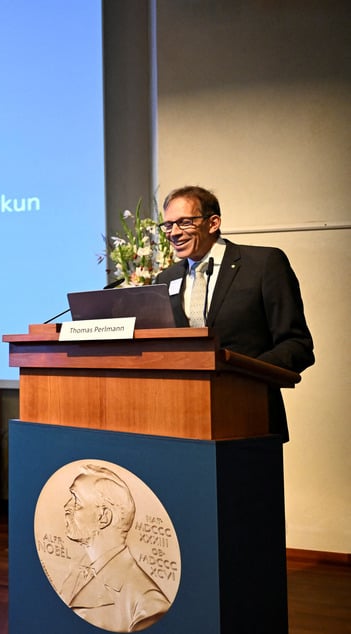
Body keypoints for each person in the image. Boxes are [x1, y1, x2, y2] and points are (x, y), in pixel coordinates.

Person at [153, 185, 314, 440]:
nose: (173, 233)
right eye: (168, 225)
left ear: (213, 222)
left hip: (250, 417)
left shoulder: (263, 264)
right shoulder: (166, 277)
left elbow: (297, 345)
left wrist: (242, 376)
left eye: (184, 223)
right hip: (181, 422)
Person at [59, 465, 170, 632]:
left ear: (104, 517)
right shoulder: (74, 573)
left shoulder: (148, 604)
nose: (66, 507)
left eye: (76, 500)